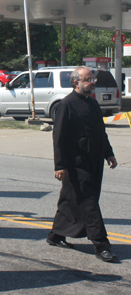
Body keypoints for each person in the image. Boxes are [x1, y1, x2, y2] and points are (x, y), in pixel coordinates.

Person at [47, 66, 118, 262]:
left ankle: (56, 234)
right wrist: (59, 165)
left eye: (93, 79)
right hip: (75, 164)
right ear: (76, 82)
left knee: (70, 199)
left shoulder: (92, 103)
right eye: (88, 79)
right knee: (89, 203)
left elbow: (100, 132)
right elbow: (58, 137)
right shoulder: (66, 105)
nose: (93, 82)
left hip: (94, 160)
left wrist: (109, 153)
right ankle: (101, 244)